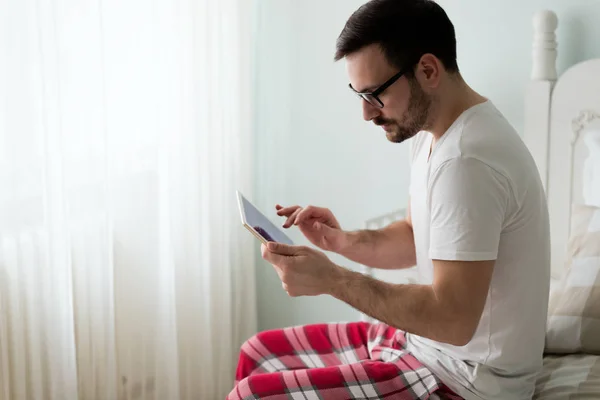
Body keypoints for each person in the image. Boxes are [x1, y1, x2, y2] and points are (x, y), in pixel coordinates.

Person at [227, 0, 550, 399]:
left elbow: (452, 319)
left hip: (468, 381)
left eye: (375, 94)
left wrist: (332, 279)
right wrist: (339, 241)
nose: (365, 113)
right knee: (258, 353)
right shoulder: (433, 132)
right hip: (429, 348)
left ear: (428, 70)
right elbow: (416, 236)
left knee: (252, 394)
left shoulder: (468, 162)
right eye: (358, 94)